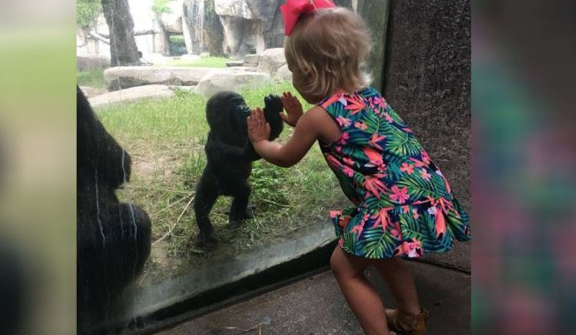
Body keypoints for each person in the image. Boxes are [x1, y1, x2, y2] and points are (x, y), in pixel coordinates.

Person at [247, 1, 471, 334]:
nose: (292, 78)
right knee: (381, 252)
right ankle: (411, 319)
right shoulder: (369, 96)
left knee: (345, 267)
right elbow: (349, 134)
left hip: (391, 203)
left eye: (293, 69)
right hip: (424, 189)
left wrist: (260, 142)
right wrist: (301, 122)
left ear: (309, 73)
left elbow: (286, 157)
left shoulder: (318, 117)